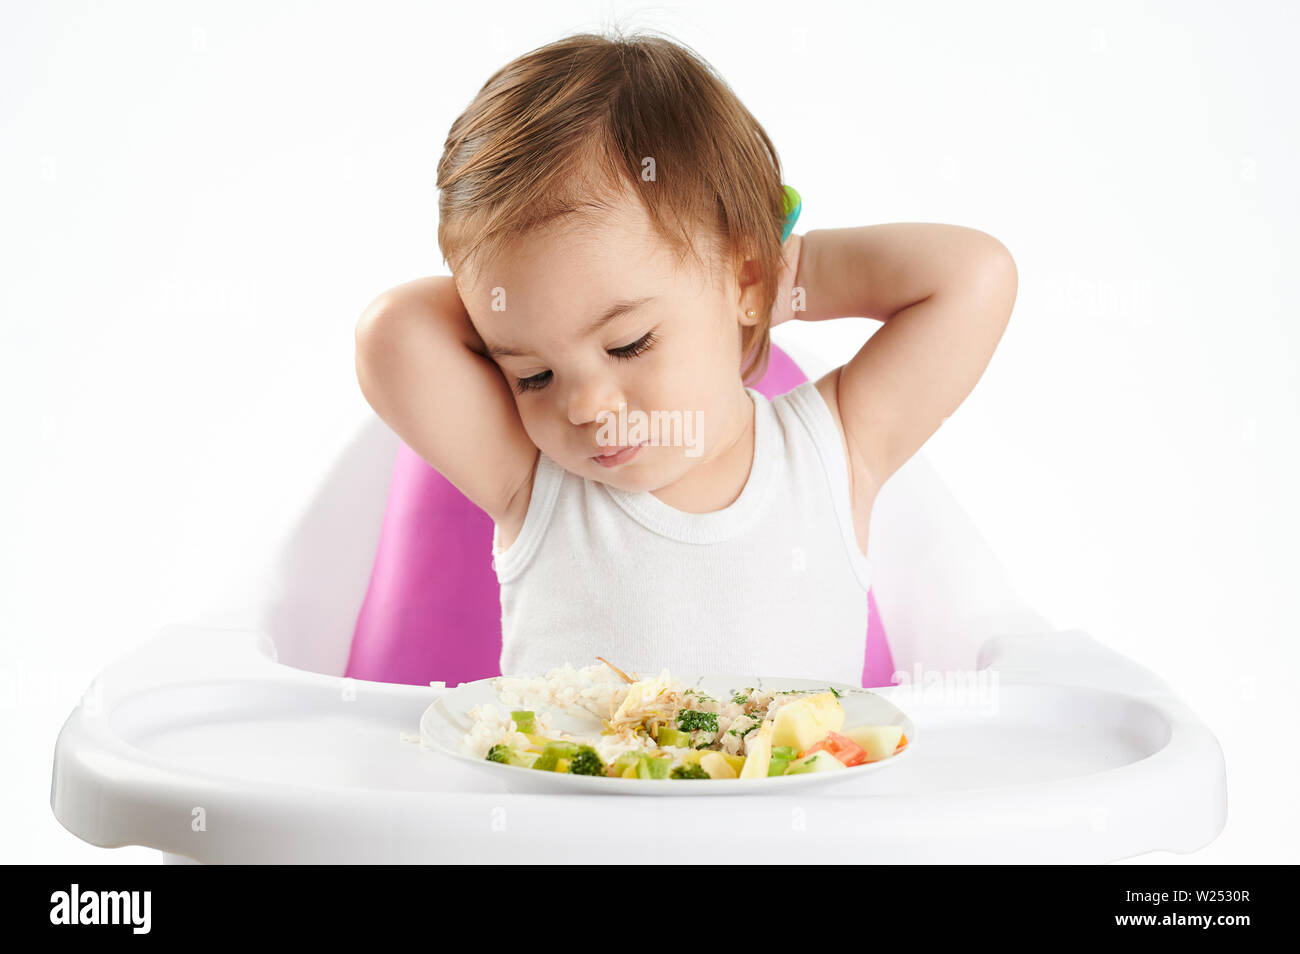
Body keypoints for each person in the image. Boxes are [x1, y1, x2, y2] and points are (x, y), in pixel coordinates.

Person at [354, 30, 1017, 685]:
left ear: (750, 280)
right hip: (560, 798)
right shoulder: (534, 483)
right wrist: (523, 299)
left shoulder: (833, 451)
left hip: (791, 797)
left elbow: (973, 276)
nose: (584, 406)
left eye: (628, 344)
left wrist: (767, 275)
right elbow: (392, 334)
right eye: (533, 375)